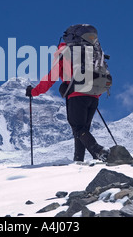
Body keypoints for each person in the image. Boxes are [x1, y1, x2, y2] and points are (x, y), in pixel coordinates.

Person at [25, 24, 110, 163]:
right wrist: (92, 93)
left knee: (78, 128)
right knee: (82, 130)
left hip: (77, 95)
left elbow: (51, 78)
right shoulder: (93, 51)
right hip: (94, 96)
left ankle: (98, 151)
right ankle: (79, 160)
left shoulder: (64, 52)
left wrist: (34, 92)